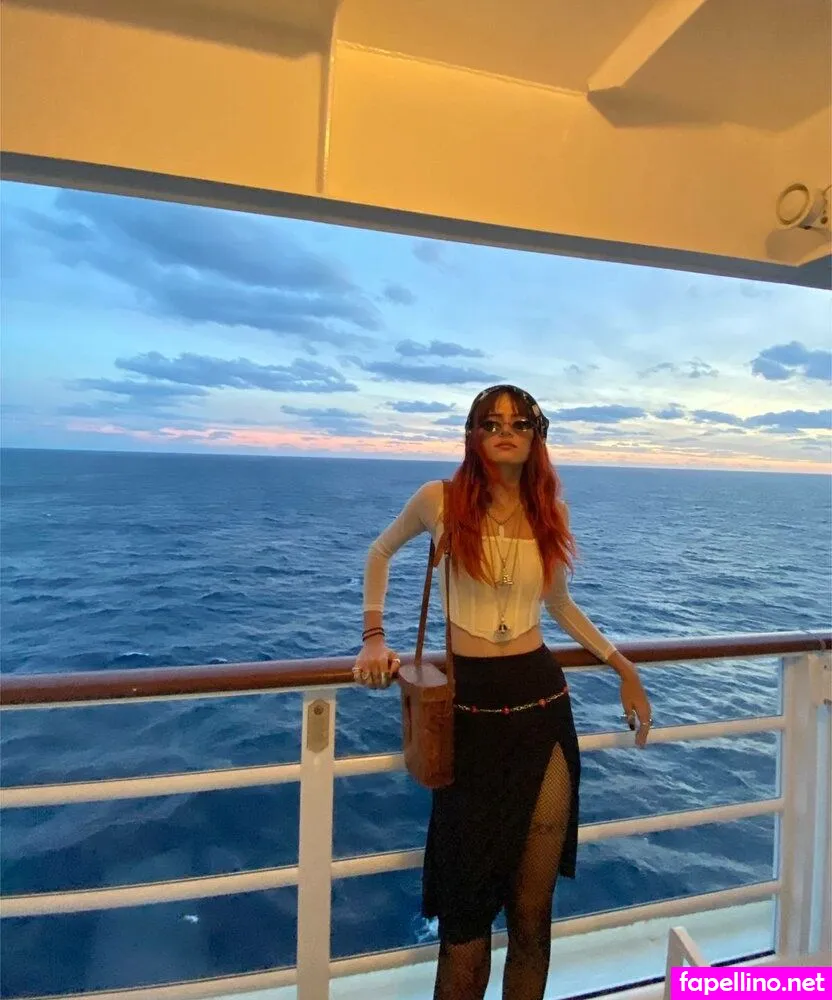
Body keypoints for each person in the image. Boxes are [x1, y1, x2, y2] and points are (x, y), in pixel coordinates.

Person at [353, 384, 652, 1000]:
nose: (505, 433)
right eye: (492, 424)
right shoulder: (439, 500)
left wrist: (623, 666)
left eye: (519, 424)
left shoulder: (549, 512)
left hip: (542, 713)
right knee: (464, 929)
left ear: (537, 436)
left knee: (531, 916)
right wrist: (373, 638)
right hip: (468, 719)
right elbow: (379, 553)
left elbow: (559, 605)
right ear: (473, 435)